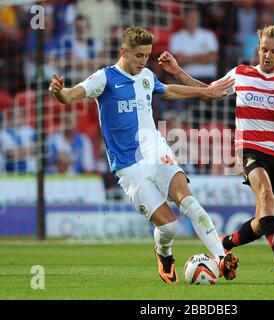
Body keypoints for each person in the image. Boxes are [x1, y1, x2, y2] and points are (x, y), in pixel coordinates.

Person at [48, 26, 238, 283]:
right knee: (169, 226)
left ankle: (220, 256)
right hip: (128, 166)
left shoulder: (147, 75)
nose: (143, 61)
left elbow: (168, 90)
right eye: (138, 55)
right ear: (123, 51)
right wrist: (60, 91)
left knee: (188, 202)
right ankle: (164, 252)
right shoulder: (104, 79)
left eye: (147, 55)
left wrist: (204, 90)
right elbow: (70, 96)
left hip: (156, 149)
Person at [158, 25, 274, 275]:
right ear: (257, 49)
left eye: (273, 51)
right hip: (249, 150)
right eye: (263, 50)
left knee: (264, 220)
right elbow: (208, 92)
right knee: (267, 196)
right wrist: (177, 71)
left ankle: (223, 245)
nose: (267, 56)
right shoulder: (242, 74)